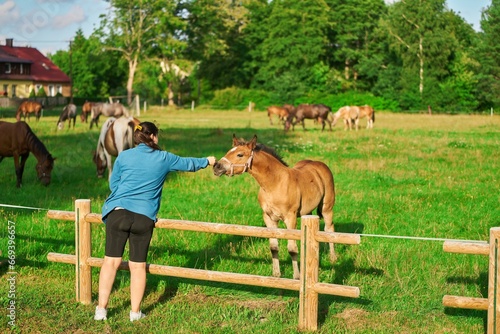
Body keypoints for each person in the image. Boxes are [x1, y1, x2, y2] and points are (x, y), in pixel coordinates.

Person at [94, 121, 216, 322]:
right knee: (138, 266)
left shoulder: (123, 156)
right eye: (157, 135)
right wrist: (208, 160)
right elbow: (189, 164)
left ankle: (101, 310)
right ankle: (135, 313)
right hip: (144, 217)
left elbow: (113, 183)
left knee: (110, 262)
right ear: (152, 137)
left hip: (118, 213)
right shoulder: (164, 158)